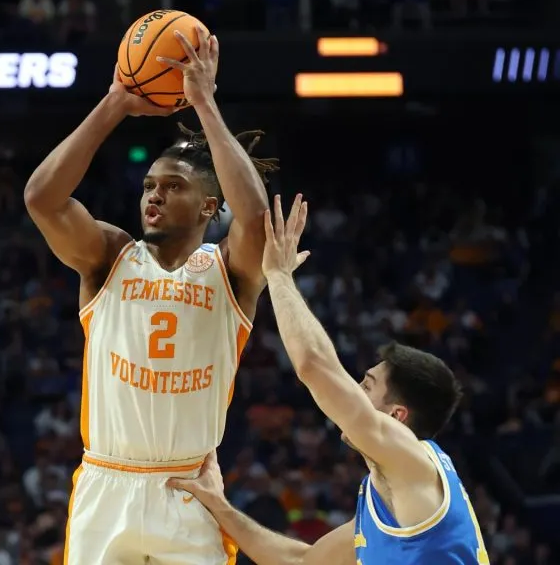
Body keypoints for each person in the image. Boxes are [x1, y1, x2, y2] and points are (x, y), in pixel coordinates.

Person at [24, 25, 276, 563]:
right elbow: (42, 198)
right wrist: (114, 102)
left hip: (190, 489)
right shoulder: (110, 256)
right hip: (107, 482)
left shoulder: (229, 271)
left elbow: (254, 217)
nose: (154, 194)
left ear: (210, 208)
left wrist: (205, 104)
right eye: (149, 186)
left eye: (174, 186)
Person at [168, 194, 488, 564]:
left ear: (397, 416)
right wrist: (218, 505)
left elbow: (315, 367)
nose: (352, 390)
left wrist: (278, 275)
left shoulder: (410, 459)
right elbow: (303, 561)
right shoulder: (390, 491)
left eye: (366, 386)